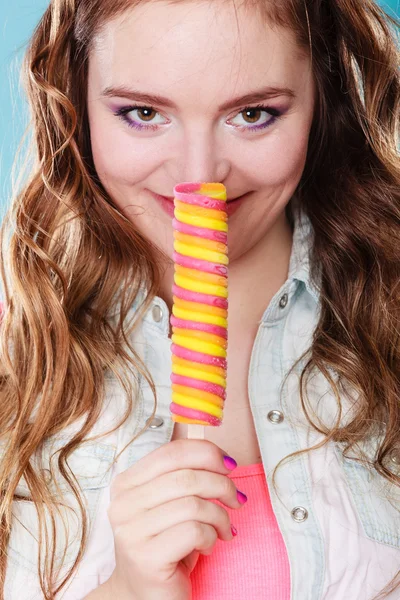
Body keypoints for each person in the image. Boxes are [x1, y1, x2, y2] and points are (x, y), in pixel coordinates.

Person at [0, 0, 399, 598]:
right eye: (141, 112)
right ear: (77, 100)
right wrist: (131, 589)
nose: (200, 175)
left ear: (323, 95)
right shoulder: (21, 333)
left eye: (254, 114)